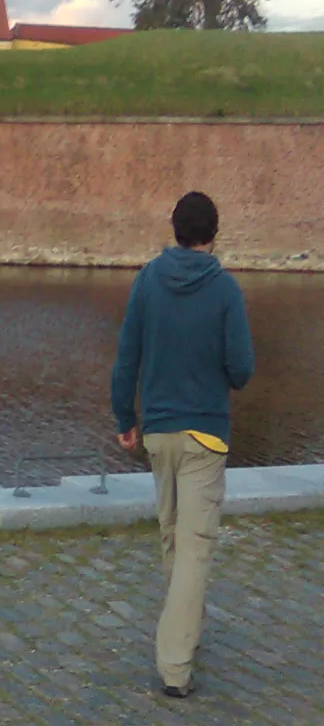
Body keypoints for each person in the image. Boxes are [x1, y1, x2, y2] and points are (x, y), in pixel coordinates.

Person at [110, 191, 255, 699]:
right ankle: (175, 666)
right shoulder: (225, 290)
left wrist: (125, 417)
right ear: (214, 234)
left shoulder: (148, 280)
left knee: (174, 539)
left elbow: (127, 355)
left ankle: (186, 627)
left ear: (175, 229)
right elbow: (241, 369)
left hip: (159, 433)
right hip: (204, 436)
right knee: (194, 549)